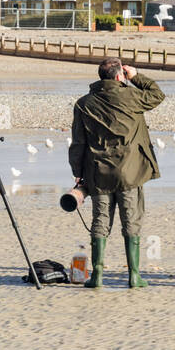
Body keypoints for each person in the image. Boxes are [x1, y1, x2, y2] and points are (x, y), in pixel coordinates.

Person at [70, 57, 165, 289]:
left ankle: (97, 276)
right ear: (119, 76)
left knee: (100, 221)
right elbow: (157, 94)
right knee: (131, 221)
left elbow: (78, 143)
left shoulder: (83, 104)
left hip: (97, 172)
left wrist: (77, 173)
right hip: (130, 172)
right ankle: (134, 275)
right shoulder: (131, 96)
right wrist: (136, 76)